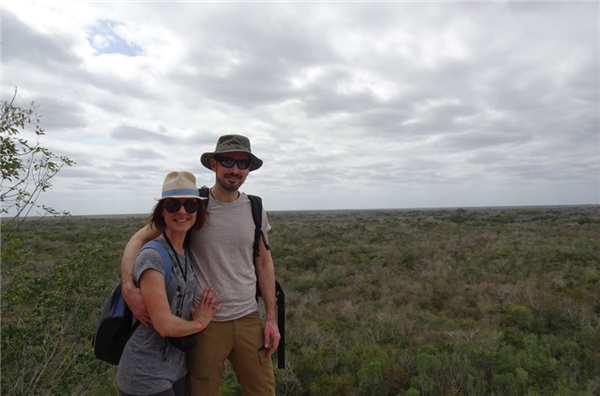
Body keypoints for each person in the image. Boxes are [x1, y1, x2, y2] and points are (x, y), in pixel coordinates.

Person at [121, 135, 280, 396]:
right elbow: (138, 239)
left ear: (249, 169)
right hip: (205, 322)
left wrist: (271, 319)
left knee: (263, 391)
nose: (235, 170)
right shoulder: (194, 205)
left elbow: (264, 264)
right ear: (214, 164)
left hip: (248, 318)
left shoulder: (255, 207)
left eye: (243, 164)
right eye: (228, 161)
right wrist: (128, 287)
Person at [117, 171, 223, 396]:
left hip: (176, 368)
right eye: (174, 205)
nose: (182, 211)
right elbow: (164, 325)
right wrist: (200, 323)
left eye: (191, 205)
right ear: (162, 211)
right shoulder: (153, 256)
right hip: (145, 373)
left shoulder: (185, 252)